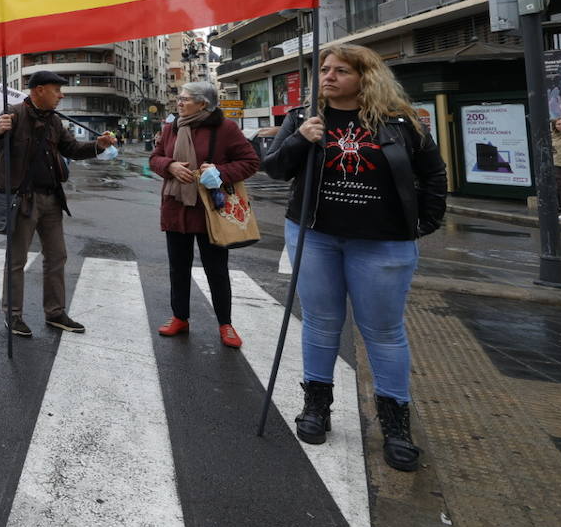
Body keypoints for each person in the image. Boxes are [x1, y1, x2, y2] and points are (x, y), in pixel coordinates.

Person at [264, 44, 446, 472]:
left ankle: (396, 425)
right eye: (325, 70)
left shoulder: (401, 122)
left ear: (366, 76)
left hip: (382, 242)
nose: (327, 77)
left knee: (383, 331)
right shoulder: (303, 118)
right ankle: (317, 407)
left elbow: (432, 173)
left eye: (340, 70)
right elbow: (273, 168)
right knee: (321, 322)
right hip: (315, 235)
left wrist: (424, 222)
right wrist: (298, 138)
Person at [0, 71, 115, 337]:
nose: (61, 95)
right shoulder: (13, 114)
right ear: (39, 90)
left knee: (57, 257)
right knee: (16, 260)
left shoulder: (54, 121)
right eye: (57, 90)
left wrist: (97, 145)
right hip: (22, 200)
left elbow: (72, 149)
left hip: (52, 199)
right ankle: (14, 315)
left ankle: (55, 312)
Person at [149, 81, 259, 348]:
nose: (180, 102)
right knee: (178, 268)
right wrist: (170, 165)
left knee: (216, 269)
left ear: (204, 104)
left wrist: (219, 172)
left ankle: (225, 323)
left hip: (211, 210)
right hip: (176, 208)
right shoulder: (172, 126)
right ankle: (180, 317)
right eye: (180, 98)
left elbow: (251, 162)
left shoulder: (225, 128)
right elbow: (155, 158)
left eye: (186, 99)